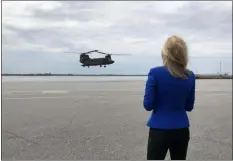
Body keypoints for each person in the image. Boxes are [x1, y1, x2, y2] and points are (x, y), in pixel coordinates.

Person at [143, 35, 196, 160]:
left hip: (159, 129)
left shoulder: (155, 73)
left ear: (165, 53)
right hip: (181, 129)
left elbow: (148, 105)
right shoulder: (190, 75)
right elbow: (189, 106)